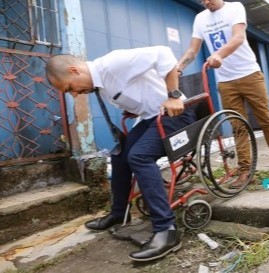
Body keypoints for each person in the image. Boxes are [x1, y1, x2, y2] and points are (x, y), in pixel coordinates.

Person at [45, 46, 196, 262]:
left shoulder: (113, 63)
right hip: (151, 117)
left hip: (176, 114)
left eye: (70, 88)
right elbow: (139, 90)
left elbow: (163, 54)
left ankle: (167, 231)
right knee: (119, 155)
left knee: (139, 156)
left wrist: (173, 95)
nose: (75, 94)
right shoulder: (100, 84)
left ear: (74, 70)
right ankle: (119, 213)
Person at [177, 0, 269, 188]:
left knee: (265, 120)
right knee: (238, 126)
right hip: (225, 82)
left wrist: (219, 54)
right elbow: (193, 50)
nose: (206, 2)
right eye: (202, 0)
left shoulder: (235, 8)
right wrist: (178, 67)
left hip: (250, 74)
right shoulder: (200, 19)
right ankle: (245, 171)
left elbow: (238, 38)